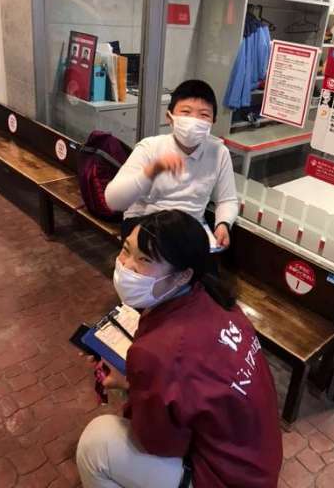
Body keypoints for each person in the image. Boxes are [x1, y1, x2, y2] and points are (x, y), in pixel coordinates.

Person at [76, 209, 283, 488]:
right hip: (257, 463)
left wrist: (130, 385)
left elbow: (161, 443)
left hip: (223, 479)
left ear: (182, 276)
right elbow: (188, 381)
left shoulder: (157, 352)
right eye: (126, 250)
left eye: (145, 260)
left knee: (96, 443)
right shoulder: (219, 301)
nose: (126, 266)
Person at [105, 80, 238, 248]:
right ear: (169, 117)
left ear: (213, 121)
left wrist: (223, 224)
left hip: (189, 227)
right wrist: (151, 171)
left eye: (204, 115)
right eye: (186, 112)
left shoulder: (219, 152)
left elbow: (227, 200)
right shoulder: (150, 147)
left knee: (203, 263)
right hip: (144, 223)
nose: (194, 120)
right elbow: (114, 201)